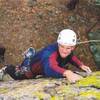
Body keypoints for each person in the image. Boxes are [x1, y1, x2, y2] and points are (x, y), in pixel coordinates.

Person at [0, 29, 92, 83]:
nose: (64, 50)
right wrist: (66, 72)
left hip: (39, 64)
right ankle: (6, 69)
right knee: (19, 75)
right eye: (62, 46)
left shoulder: (66, 50)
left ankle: (30, 56)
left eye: (68, 48)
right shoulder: (49, 54)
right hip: (31, 68)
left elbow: (71, 57)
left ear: (73, 47)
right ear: (58, 44)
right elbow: (50, 68)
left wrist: (80, 65)